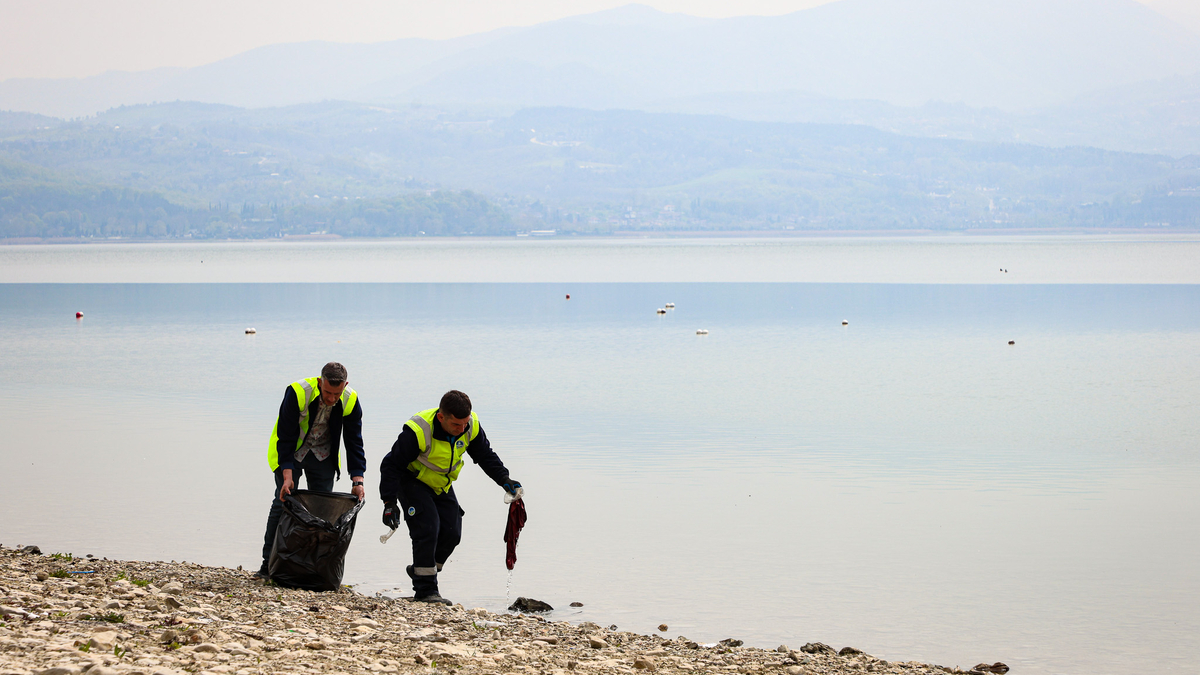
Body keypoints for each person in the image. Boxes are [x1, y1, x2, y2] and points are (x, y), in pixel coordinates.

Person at [379, 390, 521, 605]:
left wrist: (505, 479)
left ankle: (421, 571)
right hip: (411, 480)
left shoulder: (469, 425)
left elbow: (484, 455)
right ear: (441, 417)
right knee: (427, 528)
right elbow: (391, 465)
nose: (462, 430)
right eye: (456, 425)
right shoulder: (418, 430)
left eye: (464, 424)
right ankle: (426, 591)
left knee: (452, 533)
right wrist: (389, 502)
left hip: (441, 483)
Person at [256, 362, 366, 579]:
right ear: (319, 382)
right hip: (292, 451)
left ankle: (311, 568)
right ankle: (267, 565)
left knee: (323, 510)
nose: (332, 398)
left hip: (322, 454)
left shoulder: (350, 400)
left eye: (337, 393)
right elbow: (285, 434)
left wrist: (358, 480)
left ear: (346, 385)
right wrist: (287, 473)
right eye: (327, 392)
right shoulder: (297, 392)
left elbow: (354, 442)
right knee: (283, 503)